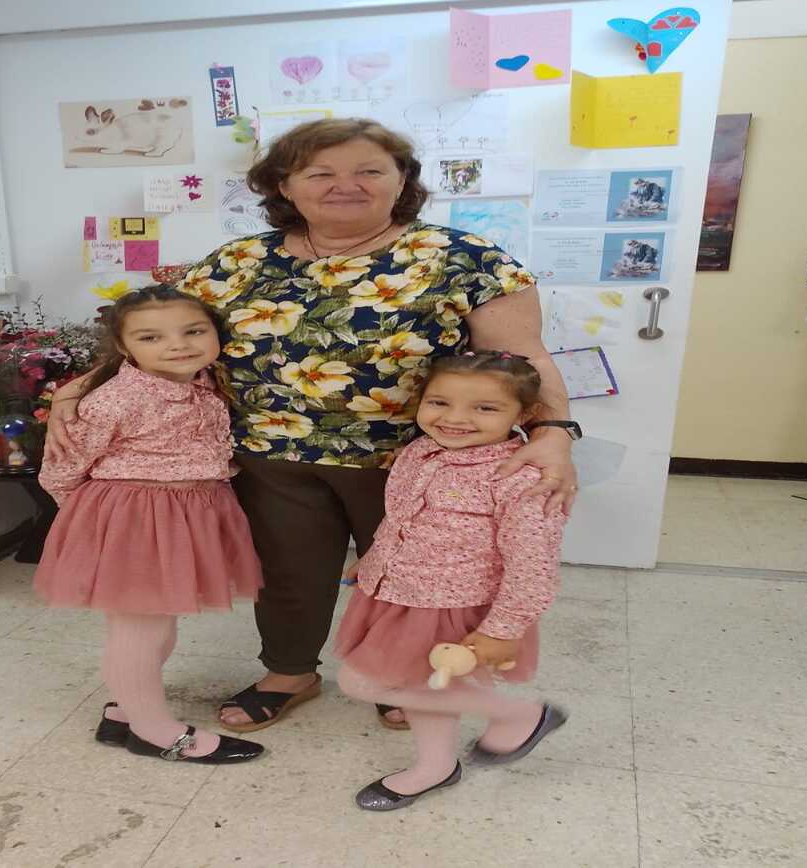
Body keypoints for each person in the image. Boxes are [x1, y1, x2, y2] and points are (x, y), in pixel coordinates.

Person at [48, 118, 579, 733]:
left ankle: (408, 678)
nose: (343, 185)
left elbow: (525, 358)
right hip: (270, 455)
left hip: (415, 461)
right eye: (320, 173)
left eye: (368, 170)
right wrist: (80, 388)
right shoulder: (237, 263)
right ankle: (289, 673)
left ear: (401, 180)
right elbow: (157, 333)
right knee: (288, 574)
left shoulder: (465, 259)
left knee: (419, 578)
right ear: (285, 186)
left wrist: (555, 433)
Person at [34, 285, 266, 765]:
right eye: (151, 337)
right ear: (124, 347)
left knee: (161, 624)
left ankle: (126, 711)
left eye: (193, 331)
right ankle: (155, 731)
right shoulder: (114, 400)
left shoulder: (208, 380)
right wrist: (92, 524)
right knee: (139, 628)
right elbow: (61, 467)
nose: (177, 345)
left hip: (190, 511)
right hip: (135, 519)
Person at [334, 351, 568, 810]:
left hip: (451, 606)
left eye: (485, 407)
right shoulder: (420, 452)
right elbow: (401, 513)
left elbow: (534, 566)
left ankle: (519, 716)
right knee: (426, 687)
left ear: (525, 414)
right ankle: (435, 766)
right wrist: (377, 556)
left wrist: (504, 628)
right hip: (398, 593)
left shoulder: (520, 479)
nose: (455, 419)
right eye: (439, 402)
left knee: (361, 683)